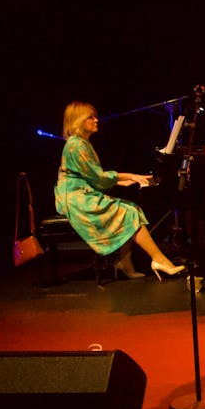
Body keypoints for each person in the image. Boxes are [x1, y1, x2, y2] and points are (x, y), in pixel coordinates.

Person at [54, 101, 185, 280]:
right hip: (76, 199)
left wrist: (123, 181)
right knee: (128, 212)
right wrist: (129, 176)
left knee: (133, 210)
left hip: (81, 192)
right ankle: (158, 259)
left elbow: (91, 177)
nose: (96, 120)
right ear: (78, 121)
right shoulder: (76, 145)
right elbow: (98, 177)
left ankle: (125, 263)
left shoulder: (81, 143)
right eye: (90, 117)